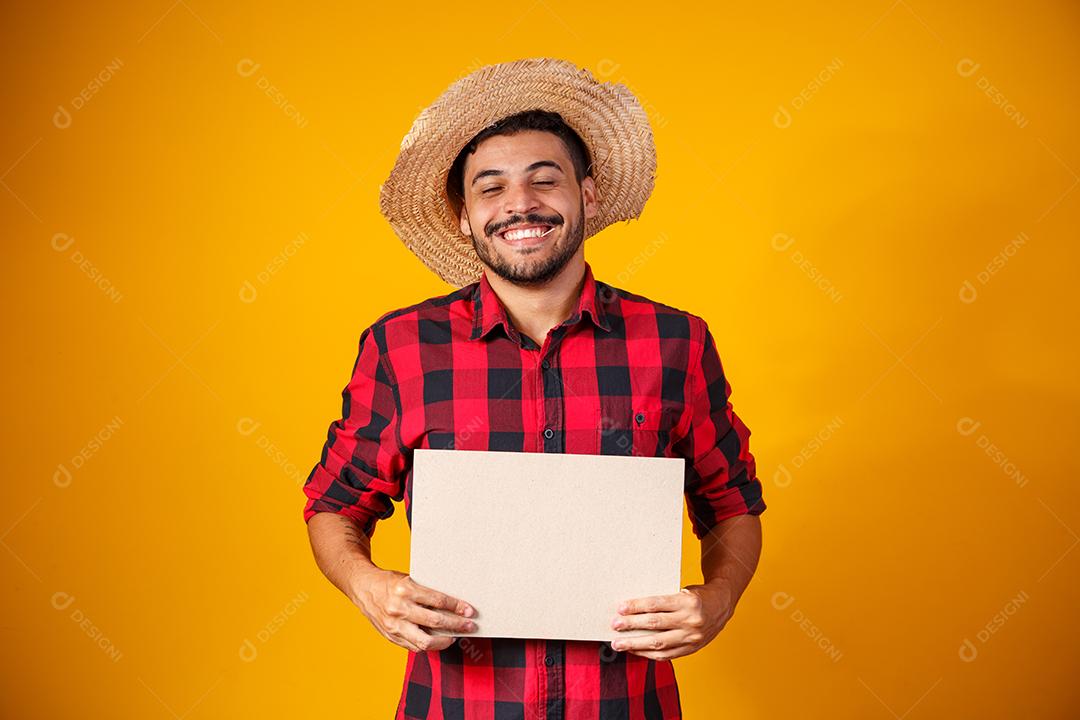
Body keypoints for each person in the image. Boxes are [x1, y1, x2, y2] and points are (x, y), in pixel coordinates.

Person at [303, 57, 766, 720]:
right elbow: (335, 504)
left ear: (589, 196)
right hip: (455, 706)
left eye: (543, 180)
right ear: (464, 217)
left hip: (626, 707)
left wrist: (716, 601)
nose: (519, 204)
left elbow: (733, 505)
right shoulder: (400, 347)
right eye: (490, 188)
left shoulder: (677, 342)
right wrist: (368, 585)